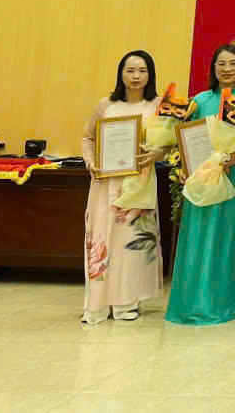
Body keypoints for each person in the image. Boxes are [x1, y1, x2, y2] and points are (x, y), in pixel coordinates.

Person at [165, 45, 235, 325]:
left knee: (227, 235)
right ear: (213, 68)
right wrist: (185, 167)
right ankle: (189, 302)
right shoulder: (199, 101)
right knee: (196, 235)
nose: (227, 69)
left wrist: (233, 157)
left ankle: (222, 304)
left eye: (233, 63)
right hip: (201, 175)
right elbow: (187, 139)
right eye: (221, 63)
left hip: (233, 174)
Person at [81, 50, 165, 323]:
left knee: (131, 243)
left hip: (139, 183)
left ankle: (126, 303)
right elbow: (88, 138)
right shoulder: (106, 105)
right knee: (103, 240)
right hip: (106, 183)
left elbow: (170, 143)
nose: (136, 76)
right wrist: (91, 162)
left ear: (150, 74)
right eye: (130, 70)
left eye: (142, 70)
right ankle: (97, 303)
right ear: (121, 74)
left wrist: (157, 154)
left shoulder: (158, 105)